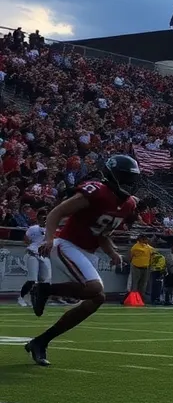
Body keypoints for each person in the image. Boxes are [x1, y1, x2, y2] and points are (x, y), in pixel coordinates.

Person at [24, 155, 141, 366]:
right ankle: (43, 290)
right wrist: (49, 238)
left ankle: (41, 341)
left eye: (131, 178)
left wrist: (112, 253)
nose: (129, 183)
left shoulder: (128, 204)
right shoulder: (97, 191)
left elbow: (101, 233)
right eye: (125, 177)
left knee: (96, 299)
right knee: (94, 288)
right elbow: (57, 212)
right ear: (112, 176)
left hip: (87, 252)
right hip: (67, 244)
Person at [16, 208, 50, 308]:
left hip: (43, 256)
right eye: (42, 218)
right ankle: (21, 297)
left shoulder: (49, 229)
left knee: (43, 280)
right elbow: (26, 239)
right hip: (33, 255)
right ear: (38, 218)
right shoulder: (33, 228)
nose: (44, 220)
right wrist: (32, 247)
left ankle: (33, 298)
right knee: (32, 279)